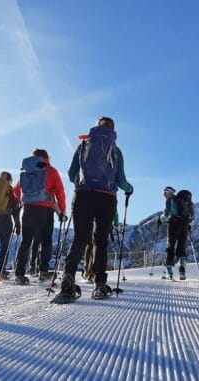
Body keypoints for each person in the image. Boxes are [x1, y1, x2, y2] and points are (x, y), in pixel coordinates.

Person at [53, 116, 132, 302]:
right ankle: (98, 285)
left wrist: (82, 185)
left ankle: (67, 280)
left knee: (80, 239)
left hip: (83, 196)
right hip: (106, 198)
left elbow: (72, 173)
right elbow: (121, 180)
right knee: (100, 241)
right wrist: (129, 189)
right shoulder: (116, 150)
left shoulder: (83, 145)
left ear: (95, 128)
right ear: (113, 130)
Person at [13, 149, 66, 284]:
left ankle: (19, 274)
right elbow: (60, 191)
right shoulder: (50, 170)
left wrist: (22, 202)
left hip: (28, 209)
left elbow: (16, 191)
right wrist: (62, 212)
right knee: (46, 241)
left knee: (26, 242)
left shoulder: (27, 171)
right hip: (45, 210)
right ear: (46, 157)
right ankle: (43, 272)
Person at [160, 186, 191, 280]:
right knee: (181, 246)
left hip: (174, 224)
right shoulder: (181, 201)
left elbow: (166, 213)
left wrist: (161, 218)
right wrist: (188, 224)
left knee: (171, 245)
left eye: (165, 192)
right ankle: (182, 272)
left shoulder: (170, 200)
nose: (164, 195)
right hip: (185, 224)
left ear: (169, 192)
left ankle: (170, 272)